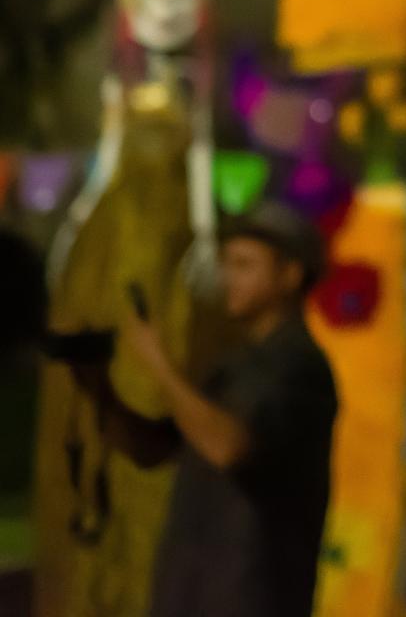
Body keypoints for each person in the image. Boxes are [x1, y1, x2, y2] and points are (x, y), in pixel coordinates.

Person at [71, 199, 338, 617]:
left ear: (290, 275)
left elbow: (229, 447)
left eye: (245, 266)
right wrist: (100, 390)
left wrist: (159, 365)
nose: (228, 278)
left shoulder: (300, 366)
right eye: (227, 264)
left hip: (252, 594)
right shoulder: (234, 365)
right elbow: (154, 449)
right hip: (194, 588)